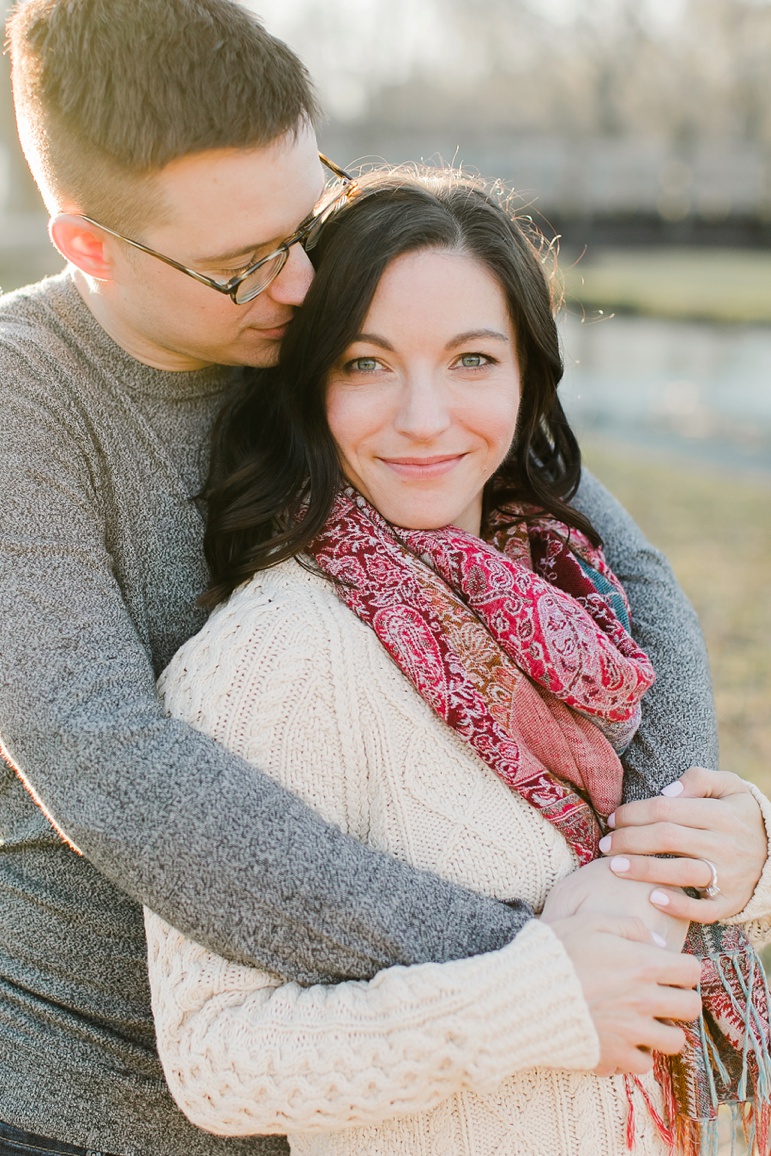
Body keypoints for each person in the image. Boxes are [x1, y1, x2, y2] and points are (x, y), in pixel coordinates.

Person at [0, 0, 749, 1153]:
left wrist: (672, 852)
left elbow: (622, 562)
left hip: (392, 1097)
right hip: (88, 1098)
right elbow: (104, 755)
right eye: (244, 264)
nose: (302, 281)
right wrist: (529, 956)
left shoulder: (299, 325)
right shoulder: (26, 403)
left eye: (305, 219)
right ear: (91, 245)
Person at [145, 169, 771, 1155]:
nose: (426, 417)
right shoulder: (277, 654)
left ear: (527, 378)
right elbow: (215, 1055)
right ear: (309, 383)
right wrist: (536, 999)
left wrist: (742, 857)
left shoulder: (577, 599)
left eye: (473, 359)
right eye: (366, 363)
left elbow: (635, 880)